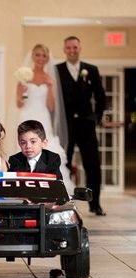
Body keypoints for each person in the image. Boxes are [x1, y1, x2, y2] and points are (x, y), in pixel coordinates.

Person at [56, 36, 106, 216]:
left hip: (86, 125)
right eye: (68, 47)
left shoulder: (91, 70)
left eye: (75, 47)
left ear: (80, 48)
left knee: (93, 164)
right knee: (64, 163)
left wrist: (96, 117)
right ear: (64, 49)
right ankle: (63, 201)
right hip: (65, 126)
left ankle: (96, 204)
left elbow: (101, 96)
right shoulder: (57, 70)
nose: (72, 50)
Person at [15, 43, 74, 194]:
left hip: (43, 116)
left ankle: (47, 186)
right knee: (25, 146)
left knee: (45, 147)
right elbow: (19, 103)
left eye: (44, 55)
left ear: (47, 58)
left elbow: (52, 106)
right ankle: (24, 184)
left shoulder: (49, 78)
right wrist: (22, 91)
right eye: (38, 55)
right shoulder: (24, 75)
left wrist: (49, 88)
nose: (41, 58)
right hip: (27, 114)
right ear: (33, 57)